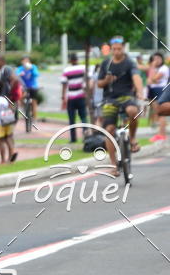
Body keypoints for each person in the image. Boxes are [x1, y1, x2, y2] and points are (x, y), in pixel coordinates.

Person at [97, 36, 145, 174]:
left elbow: (136, 78)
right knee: (109, 129)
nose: (117, 51)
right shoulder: (106, 64)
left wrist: (140, 93)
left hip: (126, 96)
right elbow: (99, 84)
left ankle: (133, 138)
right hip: (109, 99)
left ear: (123, 48)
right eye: (114, 49)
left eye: (119, 49)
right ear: (111, 49)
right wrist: (106, 80)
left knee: (132, 110)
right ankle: (113, 165)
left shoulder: (130, 63)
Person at [0, 80, 18, 164]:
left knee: (1, 141)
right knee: (8, 138)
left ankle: (3, 160)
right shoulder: (5, 99)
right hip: (7, 121)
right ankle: (11, 157)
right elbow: (11, 109)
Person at [61, 53, 87, 143]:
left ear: (70, 60)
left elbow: (64, 84)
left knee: (72, 119)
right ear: (77, 59)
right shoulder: (83, 68)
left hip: (71, 97)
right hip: (81, 95)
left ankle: (73, 138)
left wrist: (63, 97)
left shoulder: (66, 70)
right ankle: (86, 135)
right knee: (83, 117)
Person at [146, 52, 168, 141]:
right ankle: (159, 133)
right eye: (154, 59)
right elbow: (149, 81)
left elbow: (153, 79)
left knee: (161, 113)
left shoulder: (164, 68)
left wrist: (152, 67)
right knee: (157, 113)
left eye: (158, 59)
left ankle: (162, 134)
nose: (156, 61)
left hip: (160, 90)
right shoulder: (156, 69)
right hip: (153, 90)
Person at [16, 55, 40, 120]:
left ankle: (35, 117)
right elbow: (16, 76)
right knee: (20, 97)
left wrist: (32, 70)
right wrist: (19, 74)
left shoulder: (33, 67)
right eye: (24, 60)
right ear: (22, 62)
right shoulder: (20, 68)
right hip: (23, 87)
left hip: (32, 86)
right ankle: (25, 108)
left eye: (27, 60)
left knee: (34, 101)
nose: (26, 62)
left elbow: (37, 74)